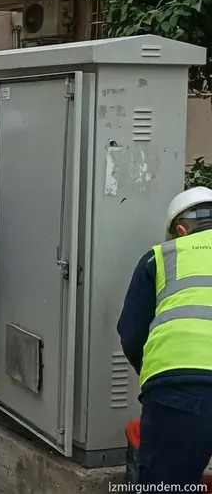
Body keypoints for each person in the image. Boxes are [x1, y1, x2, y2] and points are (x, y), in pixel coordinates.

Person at [117, 186, 212, 487]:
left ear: (181, 231)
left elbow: (131, 332)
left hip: (179, 390)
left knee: (167, 483)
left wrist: (155, 378)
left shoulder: (159, 257)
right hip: (180, 387)